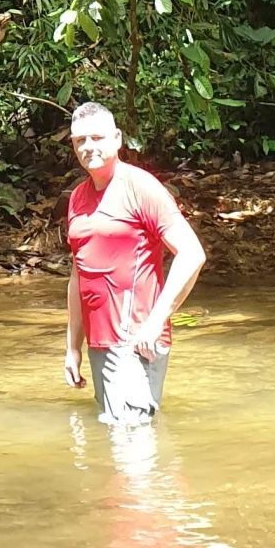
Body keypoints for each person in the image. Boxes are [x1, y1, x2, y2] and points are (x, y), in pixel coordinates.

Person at [62, 101, 206, 424]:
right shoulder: (77, 198)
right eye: (79, 141)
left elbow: (192, 254)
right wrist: (73, 346)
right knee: (121, 440)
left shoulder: (140, 187)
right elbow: (78, 274)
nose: (88, 147)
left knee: (132, 444)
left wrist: (156, 322)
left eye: (97, 138)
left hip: (135, 340)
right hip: (100, 343)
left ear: (117, 139)